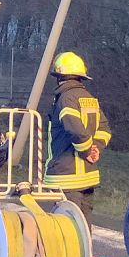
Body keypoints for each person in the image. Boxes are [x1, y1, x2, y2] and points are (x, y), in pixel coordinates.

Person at [43, 51, 112, 225]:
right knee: (83, 226)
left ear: (60, 76)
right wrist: (96, 148)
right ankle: (85, 252)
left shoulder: (65, 98)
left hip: (66, 175)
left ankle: (69, 253)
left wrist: (87, 150)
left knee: (67, 225)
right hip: (88, 176)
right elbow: (104, 129)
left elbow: (75, 129)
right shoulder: (89, 99)